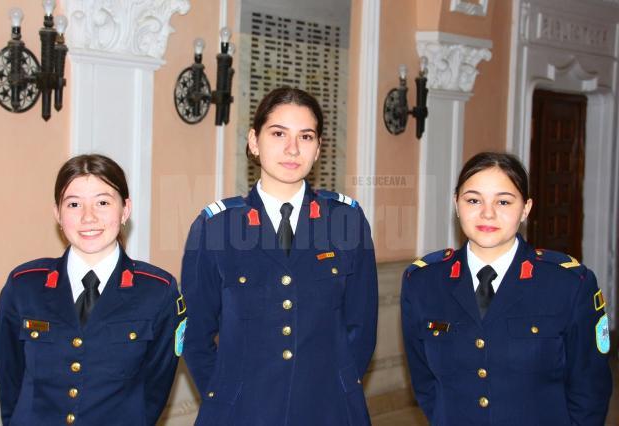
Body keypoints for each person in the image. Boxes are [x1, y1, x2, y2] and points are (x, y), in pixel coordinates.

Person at [182, 87, 378, 425]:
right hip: (243, 411)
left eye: (305, 136)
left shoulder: (345, 220)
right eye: (278, 134)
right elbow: (197, 335)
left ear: (318, 149)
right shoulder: (217, 227)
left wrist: (331, 386)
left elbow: (361, 328)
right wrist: (227, 393)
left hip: (327, 408)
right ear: (254, 142)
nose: (292, 149)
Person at [401, 151, 613, 425]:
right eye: (473, 200)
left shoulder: (568, 285)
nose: (487, 213)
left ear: (525, 209)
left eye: (503, 201)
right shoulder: (423, 283)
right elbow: (426, 384)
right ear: (456, 204)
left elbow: (589, 391)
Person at [0, 154, 184, 426]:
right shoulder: (24, 285)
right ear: (57, 213)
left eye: (103, 202)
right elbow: (10, 379)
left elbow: (154, 390)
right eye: (74, 204)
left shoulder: (157, 292)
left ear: (125, 210)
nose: (88, 217)